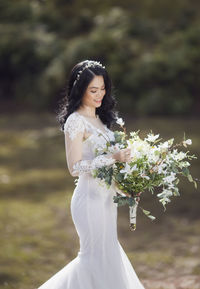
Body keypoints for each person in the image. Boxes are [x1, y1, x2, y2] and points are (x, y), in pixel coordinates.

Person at [37, 60, 145, 289]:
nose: (99, 95)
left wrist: (125, 187)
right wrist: (113, 158)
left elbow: (107, 166)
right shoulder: (75, 122)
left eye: (103, 88)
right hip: (89, 201)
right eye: (93, 90)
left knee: (108, 255)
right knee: (93, 259)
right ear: (80, 90)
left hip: (106, 199)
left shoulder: (100, 119)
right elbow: (74, 167)